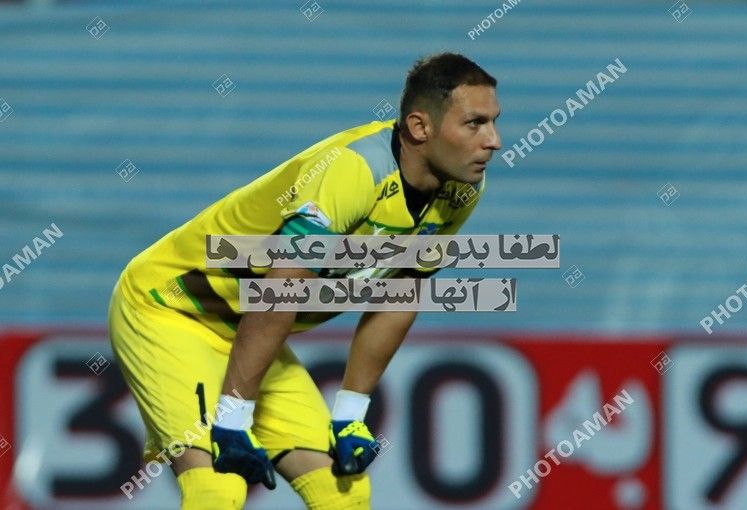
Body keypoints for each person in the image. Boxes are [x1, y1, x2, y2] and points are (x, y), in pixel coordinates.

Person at [107, 51, 501, 509]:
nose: (494, 141)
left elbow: (401, 291)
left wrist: (350, 415)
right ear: (419, 127)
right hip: (169, 309)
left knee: (343, 492)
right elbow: (281, 291)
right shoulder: (353, 171)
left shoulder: (462, 189)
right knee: (218, 487)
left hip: (242, 328)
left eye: (494, 122)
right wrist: (233, 418)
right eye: (475, 124)